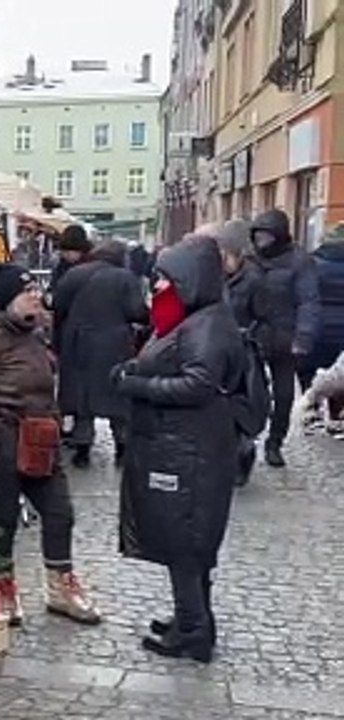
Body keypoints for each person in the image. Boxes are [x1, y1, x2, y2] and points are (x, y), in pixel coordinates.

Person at [113, 232, 246, 664]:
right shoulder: (196, 319)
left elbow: (198, 384)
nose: (157, 285)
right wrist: (136, 368)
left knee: (184, 541)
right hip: (181, 445)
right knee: (186, 539)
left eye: (165, 278)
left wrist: (139, 385)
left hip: (189, 450)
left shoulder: (206, 324)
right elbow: (175, 362)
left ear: (189, 280)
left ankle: (192, 631)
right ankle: (194, 618)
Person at [0, 262, 100, 627]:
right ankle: (1, 587)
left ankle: (60, 588)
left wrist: (55, 421)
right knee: (2, 519)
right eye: (27, 292)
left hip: (41, 439)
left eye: (36, 289)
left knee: (60, 512)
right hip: (4, 439)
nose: (36, 296)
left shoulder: (34, 335)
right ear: (6, 299)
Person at [53, 240, 149, 467]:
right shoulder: (125, 278)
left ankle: (82, 448)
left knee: (83, 397)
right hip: (114, 345)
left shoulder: (75, 274)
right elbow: (136, 311)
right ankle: (122, 446)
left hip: (78, 344)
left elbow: (57, 304)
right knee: (117, 396)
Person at [249, 208, 320, 467]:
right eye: (258, 236)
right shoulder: (250, 259)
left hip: (285, 337)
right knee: (250, 390)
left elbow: (308, 301)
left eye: (266, 236)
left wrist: (303, 337)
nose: (262, 241)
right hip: (253, 336)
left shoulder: (300, 261)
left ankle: (275, 442)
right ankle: (246, 441)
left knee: (284, 395)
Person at [217, 219, 264, 483]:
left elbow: (265, 316)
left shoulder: (254, 279)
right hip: (219, 348)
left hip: (244, 352)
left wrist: (250, 335)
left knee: (242, 404)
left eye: (226, 254)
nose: (223, 259)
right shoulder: (215, 278)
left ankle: (243, 455)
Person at [304, 223, 344, 423]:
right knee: (339, 378)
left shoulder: (311, 265)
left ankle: (312, 409)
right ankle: (336, 415)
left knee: (311, 375)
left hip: (316, 330)